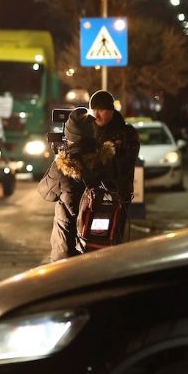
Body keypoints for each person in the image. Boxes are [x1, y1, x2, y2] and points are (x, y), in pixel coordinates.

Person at [38, 107, 117, 262]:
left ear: (70, 136)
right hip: (105, 248)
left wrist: (58, 159)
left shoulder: (65, 166)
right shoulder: (108, 160)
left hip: (68, 251)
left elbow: (44, 191)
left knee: (62, 206)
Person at [89, 90, 140, 203]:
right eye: (94, 110)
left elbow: (126, 164)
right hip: (90, 194)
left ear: (111, 111)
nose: (97, 115)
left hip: (118, 193)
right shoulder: (86, 131)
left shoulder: (127, 133)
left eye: (101, 110)